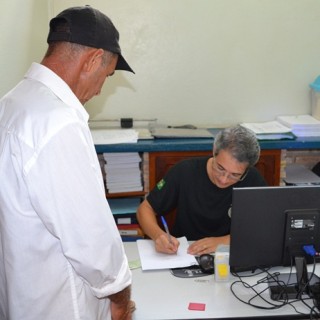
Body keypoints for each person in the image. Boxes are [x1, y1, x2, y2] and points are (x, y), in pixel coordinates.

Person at [0, 6, 135, 320]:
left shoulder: (12, 103)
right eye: (107, 75)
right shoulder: (59, 121)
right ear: (91, 60)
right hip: (60, 306)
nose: (101, 88)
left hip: (19, 296)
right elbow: (92, 241)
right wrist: (121, 300)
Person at [137, 125, 267, 256]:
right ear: (214, 152)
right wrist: (158, 236)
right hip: (185, 254)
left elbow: (265, 225)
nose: (224, 179)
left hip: (230, 256)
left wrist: (225, 241)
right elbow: (145, 209)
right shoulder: (184, 171)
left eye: (235, 175)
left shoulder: (253, 180)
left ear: (246, 170)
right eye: (220, 168)